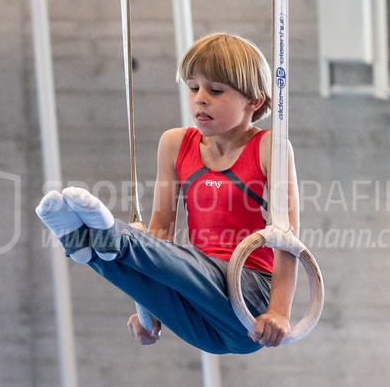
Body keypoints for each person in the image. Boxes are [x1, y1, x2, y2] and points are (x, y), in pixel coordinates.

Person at [36, 32, 299, 355]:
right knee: (160, 261)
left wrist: (280, 311)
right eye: (193, 88)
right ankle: (81, 242)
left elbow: (288, 239)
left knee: (186, 262)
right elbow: (161, 228)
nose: (200, 99)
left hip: (249, 298)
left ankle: (113, 235)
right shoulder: (175, 144)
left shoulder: (269, 149)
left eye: (216, 90)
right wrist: (148, 309)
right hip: (200, 306)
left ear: (254, 101)